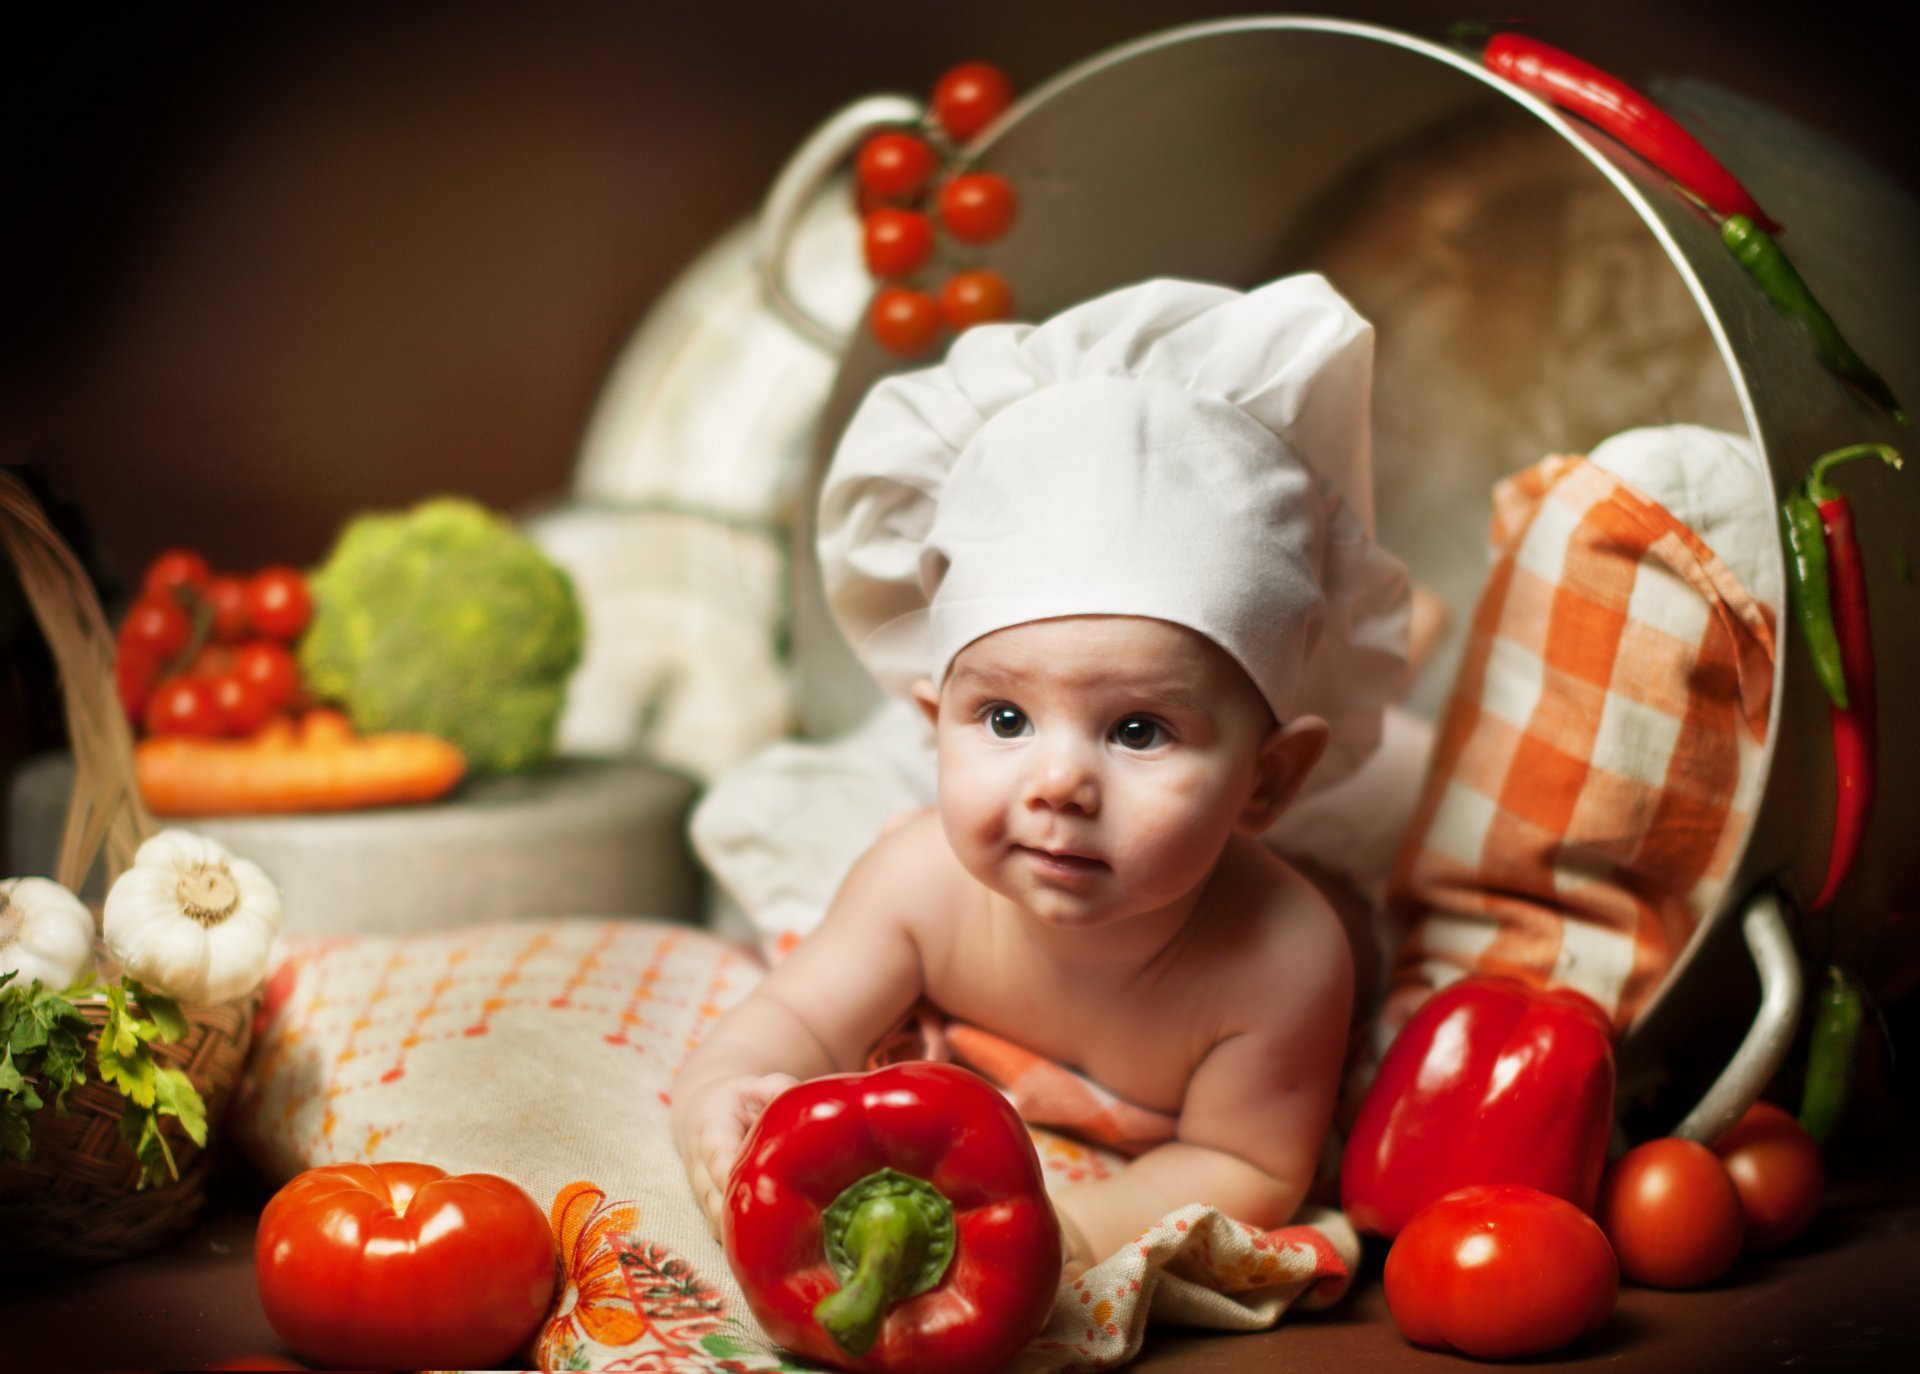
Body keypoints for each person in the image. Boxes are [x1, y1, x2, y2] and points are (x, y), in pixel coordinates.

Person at [672, 274, 1411, 1271]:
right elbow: (796, 1018)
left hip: (1336, 886)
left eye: (1141, 730)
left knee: (1407, 790)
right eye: (1006, 718)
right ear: (934, 727)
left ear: (1268, 781)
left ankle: (1420, 650)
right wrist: (733, 1088)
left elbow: (1244, 1162)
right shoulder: (917, 883)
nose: (1059, 783)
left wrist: (1073, 1239)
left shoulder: (1281, 964)